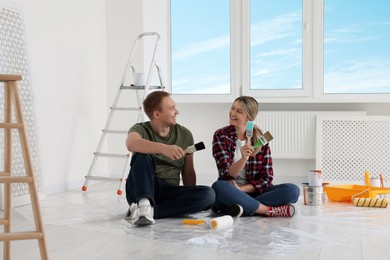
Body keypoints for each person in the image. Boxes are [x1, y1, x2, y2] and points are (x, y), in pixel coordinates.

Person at [125, 91, 215, 226]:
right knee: (141, 154)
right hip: (140, 188)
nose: (177, 111)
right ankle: (144, 204)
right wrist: (164, 148)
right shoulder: (140, 129)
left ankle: (150, 212)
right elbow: (131, 144)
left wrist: (190, 196)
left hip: (168, 190)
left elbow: (188, 172)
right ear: (156, 114)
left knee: (209, 195)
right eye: (171, 108)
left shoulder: (185, 134)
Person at [211, 96, 300, 218]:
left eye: (239, 111)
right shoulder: (221, 135)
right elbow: (226, 174)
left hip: (254, 192)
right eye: (232, 108)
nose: (232, 113)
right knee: (218, 187)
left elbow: (266, 179)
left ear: (249, 117)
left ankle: (242, 207)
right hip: (230, 191)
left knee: (293, 190)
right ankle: (265, 210)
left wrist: (242, 190)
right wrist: (243, 159)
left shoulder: (262, 139)